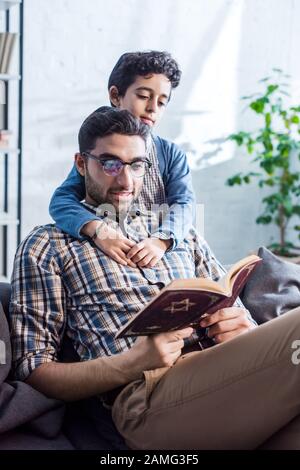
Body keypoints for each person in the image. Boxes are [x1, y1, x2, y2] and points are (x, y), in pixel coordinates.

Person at [10, 108, 300, 450]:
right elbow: (33, 369)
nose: (126, 181)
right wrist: (131, 363)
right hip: (147, 401)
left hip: (229, 378)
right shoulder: (48, 245)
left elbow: (230, 301)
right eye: (110, 163)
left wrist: (244, 327)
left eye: (136, 165)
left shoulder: (178, 234)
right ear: (80, 164)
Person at [49, 50, 195, 269]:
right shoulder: (99, 151)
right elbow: (61, 201)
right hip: (114, 254)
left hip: (156, 252)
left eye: (162, 102)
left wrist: (162, 240)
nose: (152, 108)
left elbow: (185, 204)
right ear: (116, 96)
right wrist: (98, 229)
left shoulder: (170, 154)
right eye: (144, 96)